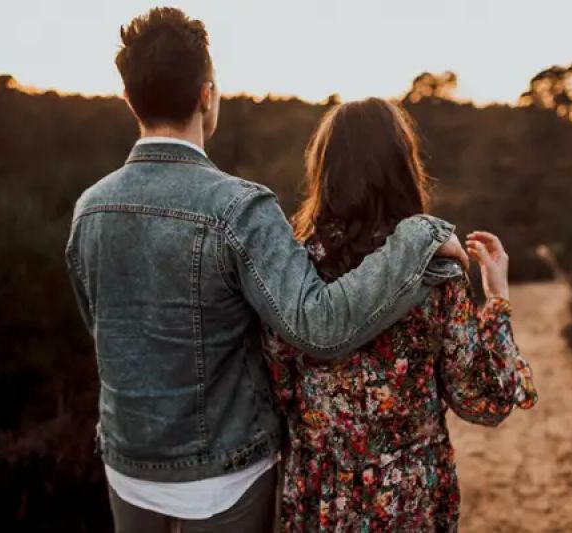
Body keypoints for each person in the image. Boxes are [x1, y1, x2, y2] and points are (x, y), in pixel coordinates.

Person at [64, 8, 466, 533]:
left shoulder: (89, 208)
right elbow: (317, 327)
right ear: (208, 95)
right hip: (226, 470)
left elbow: (100, 326)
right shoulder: (240, 208)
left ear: (128, 99)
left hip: (128, 465)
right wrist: (418, 236)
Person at [263, 98, 538, 532]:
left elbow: (275, 390)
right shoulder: (437, 273)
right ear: (402, 169)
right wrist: (497, 297)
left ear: (325, 171)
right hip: (410, 500)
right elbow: (485, 402)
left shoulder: (294, 272)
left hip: (322, 499)